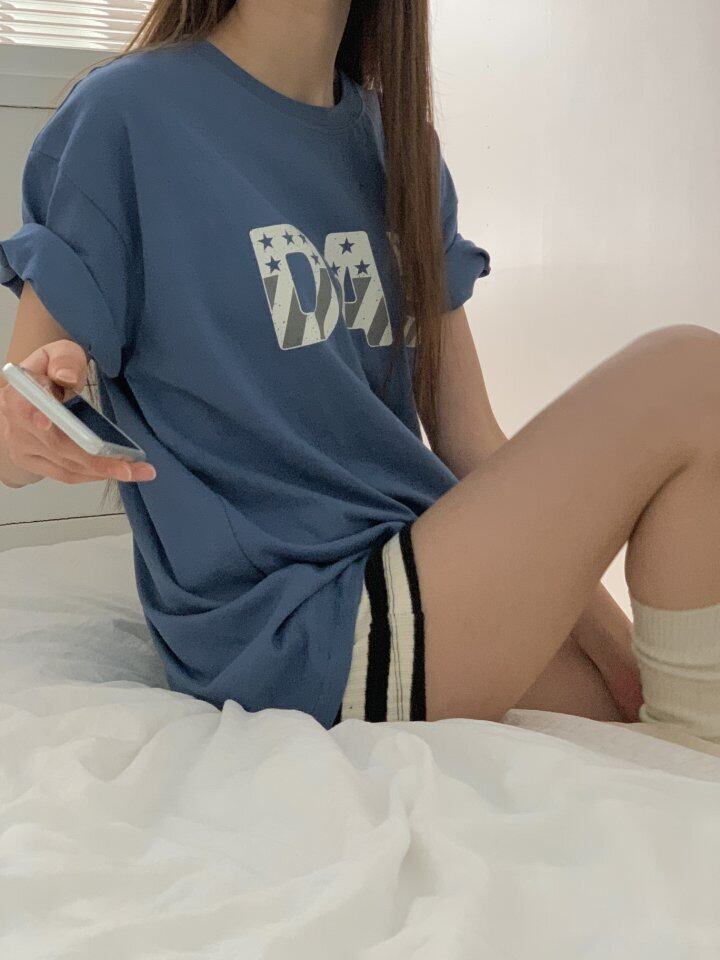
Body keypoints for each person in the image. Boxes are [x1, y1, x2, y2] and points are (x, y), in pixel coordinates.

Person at [2, 1, 719, 741]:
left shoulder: (399, 143)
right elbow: (17, 429)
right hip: (289, 629)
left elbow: (469, 440)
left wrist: (620, 652)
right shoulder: (125, 115)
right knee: (691, 377)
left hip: (416, 566)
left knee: (642, 715)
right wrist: (31, 425)